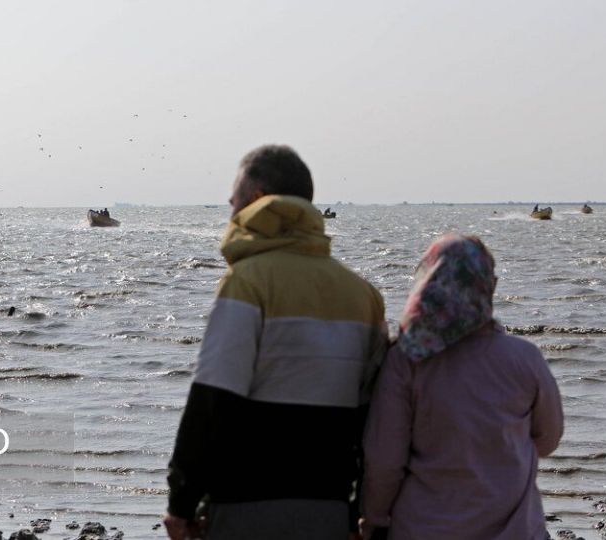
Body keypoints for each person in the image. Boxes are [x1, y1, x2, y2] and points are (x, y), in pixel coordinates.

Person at [164, 145, 388, 540]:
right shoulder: (363, 295)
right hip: (329, 509)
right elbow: (373, 421)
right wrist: (362, 512)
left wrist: (181, 503)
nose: (230, 210)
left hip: (245, 506)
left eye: (233, 200)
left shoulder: (247, 282)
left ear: (254, 201)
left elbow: (212, 400)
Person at [360, 234, 563, 540]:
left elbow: (385, 460)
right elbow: (547, 439)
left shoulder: (407, 359)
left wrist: (372, 518)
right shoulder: (524, 358)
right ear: (487, 287)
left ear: (428, 284)